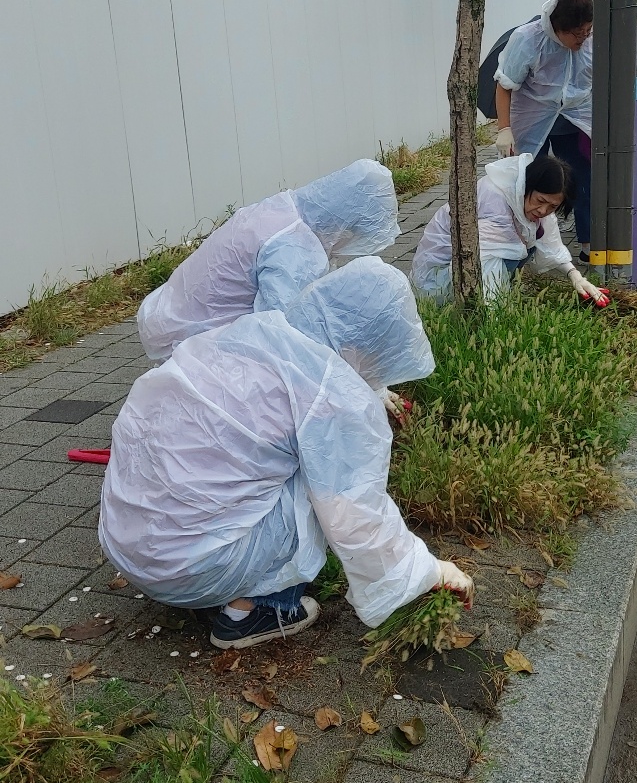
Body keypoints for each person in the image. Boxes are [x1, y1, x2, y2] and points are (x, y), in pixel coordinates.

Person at [99, 259, 472, 650]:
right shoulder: (334, 398)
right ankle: (255, 611)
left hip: (128, 543)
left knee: (278, 461)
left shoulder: (246, 335)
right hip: (190, 569)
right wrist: (428, 570)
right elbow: (355, 516)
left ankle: (221, 574)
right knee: (319, 477)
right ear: (371, 344)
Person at [136, 160, 400, 363]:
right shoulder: (292, 248)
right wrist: (362, 383)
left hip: (171, 311)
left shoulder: (285, 209)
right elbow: (284, 334)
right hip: (188, 336)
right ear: (346, 223)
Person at [411, 152, 608, 305]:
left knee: (527, 241)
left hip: (468, 267)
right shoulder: (495, 202)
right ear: (527, 186)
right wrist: (496, 316)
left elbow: (551, 244)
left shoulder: (526, 199)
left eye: (553, 207)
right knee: (513, 248)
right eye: (541, 201)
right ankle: (469, 306)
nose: (543, 210)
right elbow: (485, 261)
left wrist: (575, 276)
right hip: (438, 280)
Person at [494, 0, 594, 260]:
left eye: (587, 30)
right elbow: (505, 85)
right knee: (525, 182)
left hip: (575, 120)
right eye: (576, 33)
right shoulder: (528, 39)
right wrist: (505, 129)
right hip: (531, 118)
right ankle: (524, 245)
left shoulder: (591, 41)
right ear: (557, 28)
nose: (582, 38)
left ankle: (588, 243)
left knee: (584, 179)